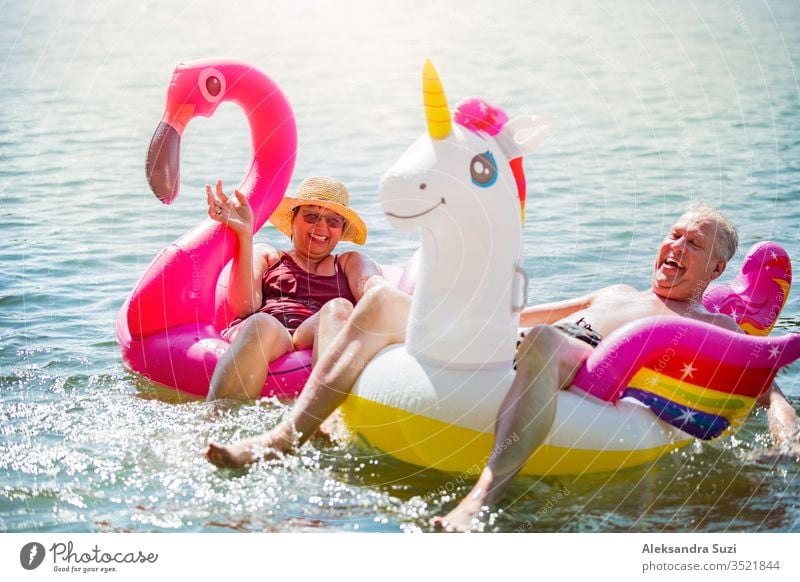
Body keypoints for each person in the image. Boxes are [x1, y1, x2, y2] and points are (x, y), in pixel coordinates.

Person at [204, 204, 799, 524]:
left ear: (716, 271)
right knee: (379, 300)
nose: (675, 248)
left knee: (545, 346)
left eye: (693, 244)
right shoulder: (614, 291)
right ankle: (282, 437)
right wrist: (470, 313)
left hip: (579, 374)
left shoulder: (711, 325)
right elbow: (527, 315)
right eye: (673, 235)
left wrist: (788, 441)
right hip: (517, 347)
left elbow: (761, 385)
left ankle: (482, 498)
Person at [206, 176, 380, 401]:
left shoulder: (349, 262)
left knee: (336, 309)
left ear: (341, 230)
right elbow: (245, 306)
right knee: (261, 324)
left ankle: (320, 419)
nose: (321, 227)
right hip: (272, 333)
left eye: (333, 221)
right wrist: (244, 234)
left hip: (315, 331)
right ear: (293, 218)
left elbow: (375, 295)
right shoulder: (270, 256)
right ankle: (216, 422)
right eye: (311, 216)